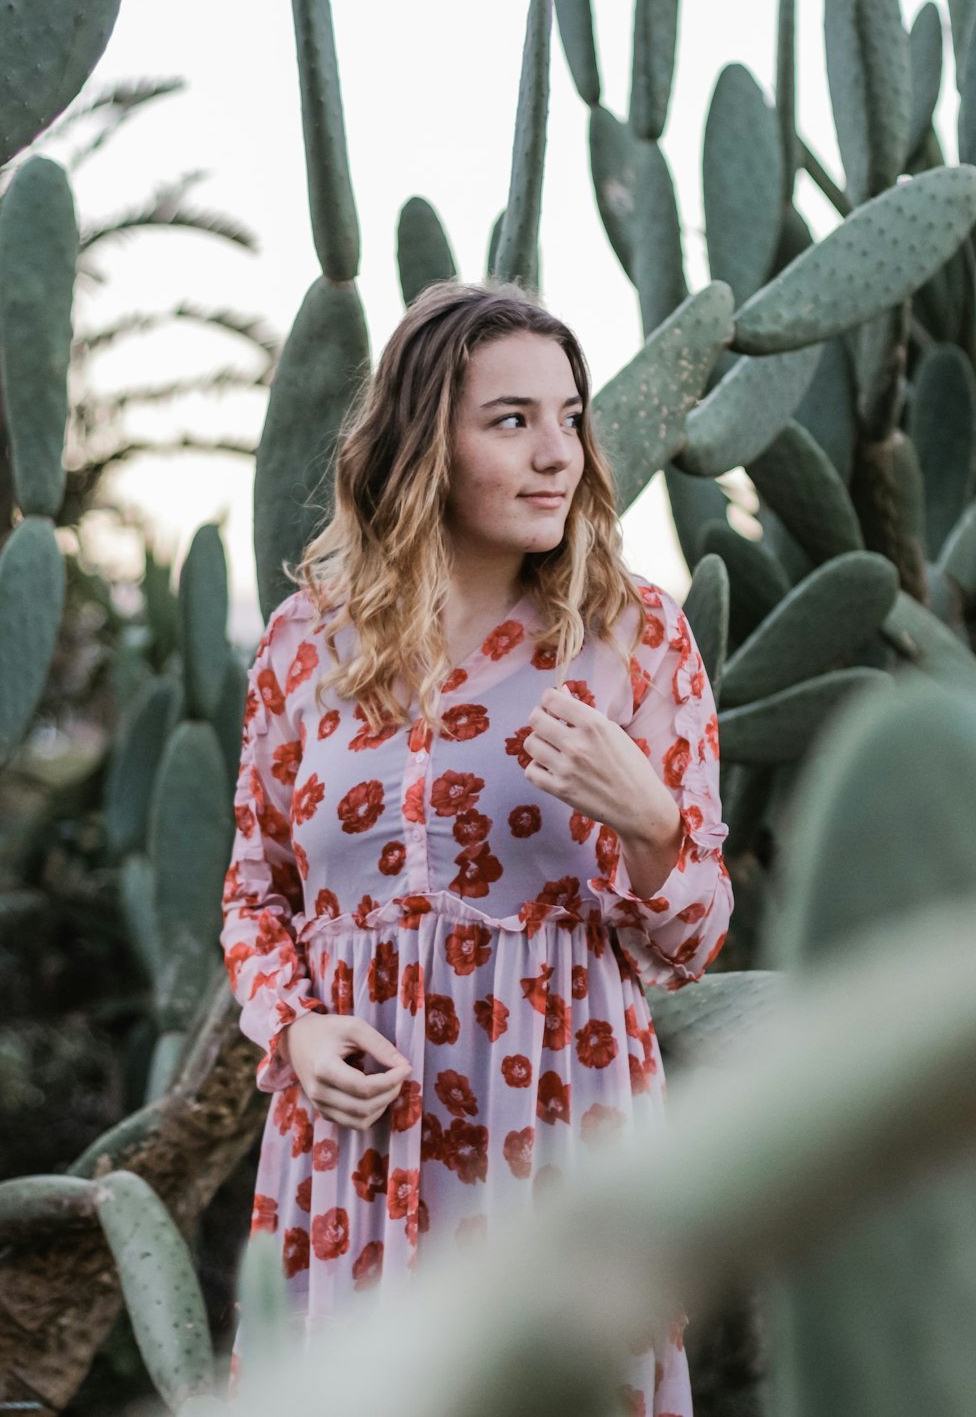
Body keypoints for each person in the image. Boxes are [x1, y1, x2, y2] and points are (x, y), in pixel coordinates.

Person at [221, 278, 733, 1413]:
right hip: (350, 1147)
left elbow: (691, 936)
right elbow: (256, 890)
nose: (557, 453)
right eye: (512, 420)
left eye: (570, 415)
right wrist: (294, 1030)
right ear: (424, 444)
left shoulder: (635, 640)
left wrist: (648, 818)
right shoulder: (305, 647)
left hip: (557, 1128)